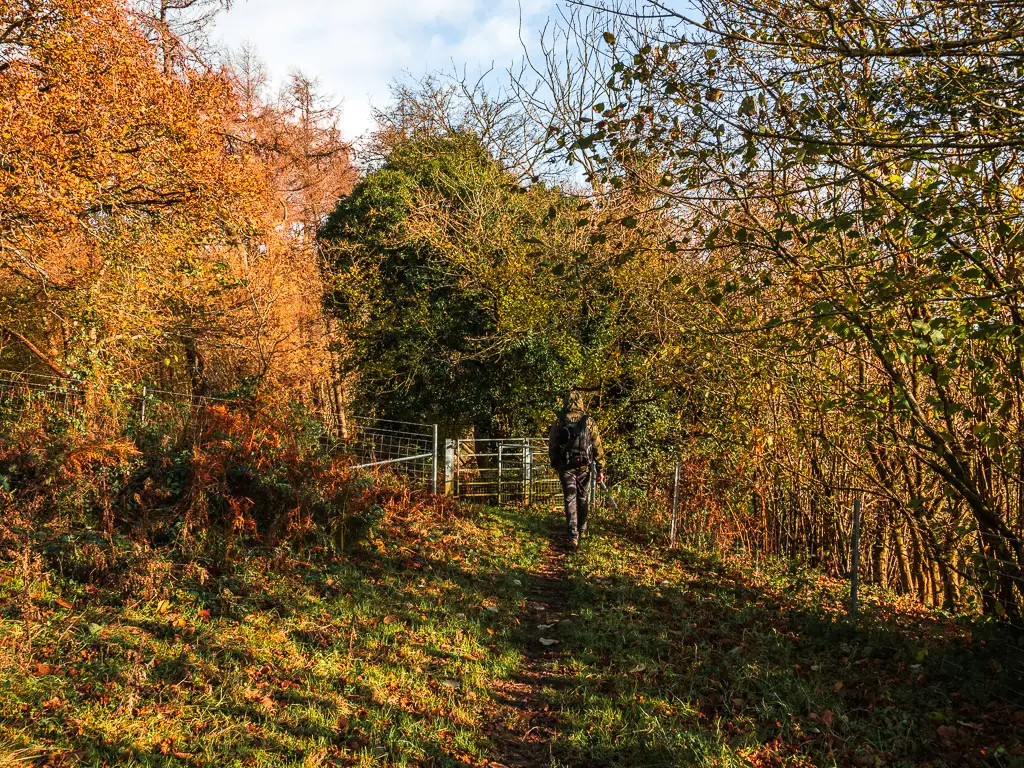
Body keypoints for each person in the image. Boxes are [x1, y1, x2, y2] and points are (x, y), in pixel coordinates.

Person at [548, 391, 605, 548]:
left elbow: (552, 445)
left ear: (566, 402)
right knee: (582, 497)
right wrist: (600, 468)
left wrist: (555, 464)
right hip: (584, 466)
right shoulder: (589, 422)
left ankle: (573, 535)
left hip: (566, 467)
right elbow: (597, 446)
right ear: (580, 402)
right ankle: (583, 529)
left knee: (569, 499)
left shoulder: (559, 421)